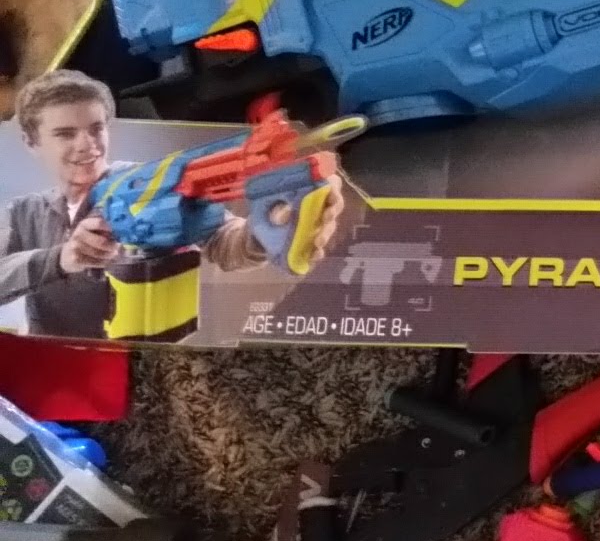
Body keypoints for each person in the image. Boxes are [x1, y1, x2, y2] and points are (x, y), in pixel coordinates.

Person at [0, 70, 345, 339]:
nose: (86, 144)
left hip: (148, 356)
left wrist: (271, 228)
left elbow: (225, 242)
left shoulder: (148, 181)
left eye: (96, 129)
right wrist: (60, 258)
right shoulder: (22, 212)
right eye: (65, 134)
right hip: (54, 359)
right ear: (31, 142)